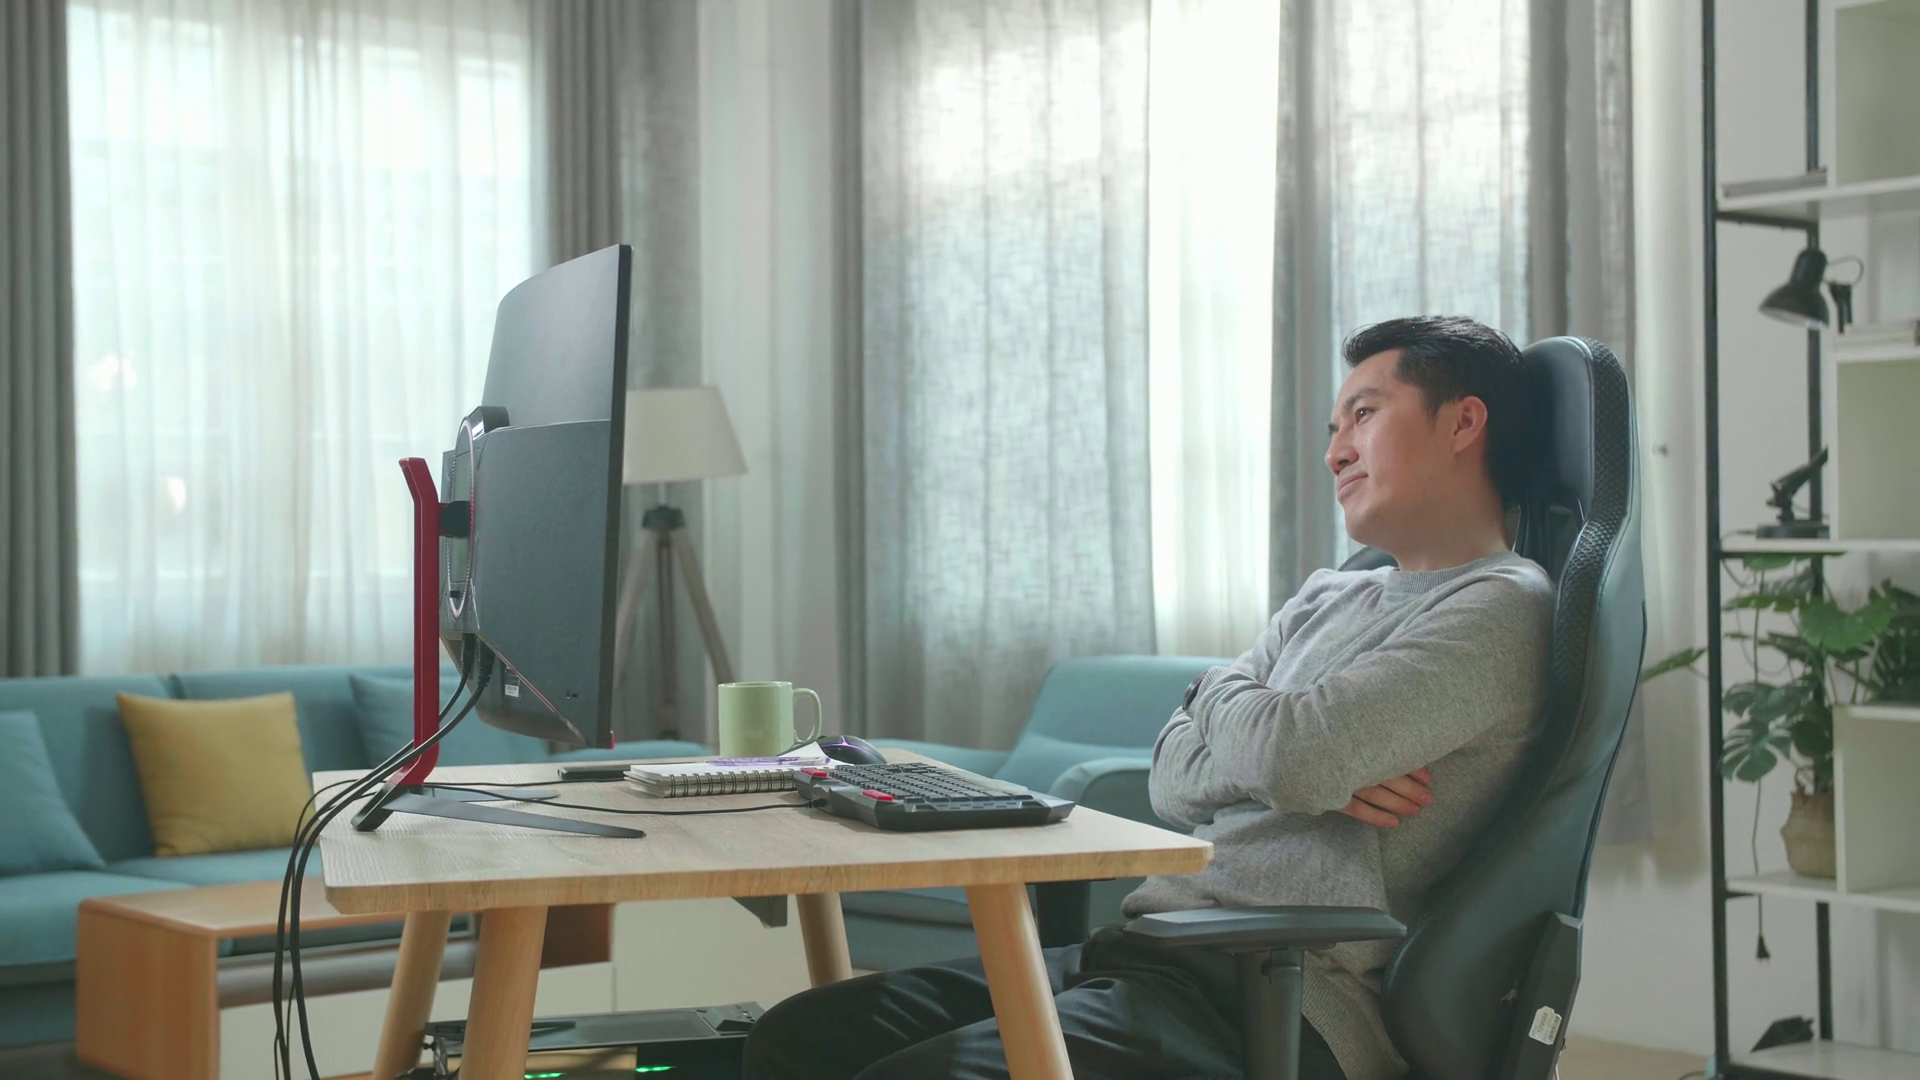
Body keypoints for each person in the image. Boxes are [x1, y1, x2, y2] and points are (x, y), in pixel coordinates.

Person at [741, 315, 1556, 1080]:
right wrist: (1282, 749)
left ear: (1463, 423)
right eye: (1332, 428)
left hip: (1275, 997)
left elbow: (1296, 756)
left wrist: (1226, 703)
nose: (1335, 452)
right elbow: (1172, 777)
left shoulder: (1499, 605)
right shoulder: (1327, 596)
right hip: (1148, 949)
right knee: (799, 1037)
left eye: (1364, 415)